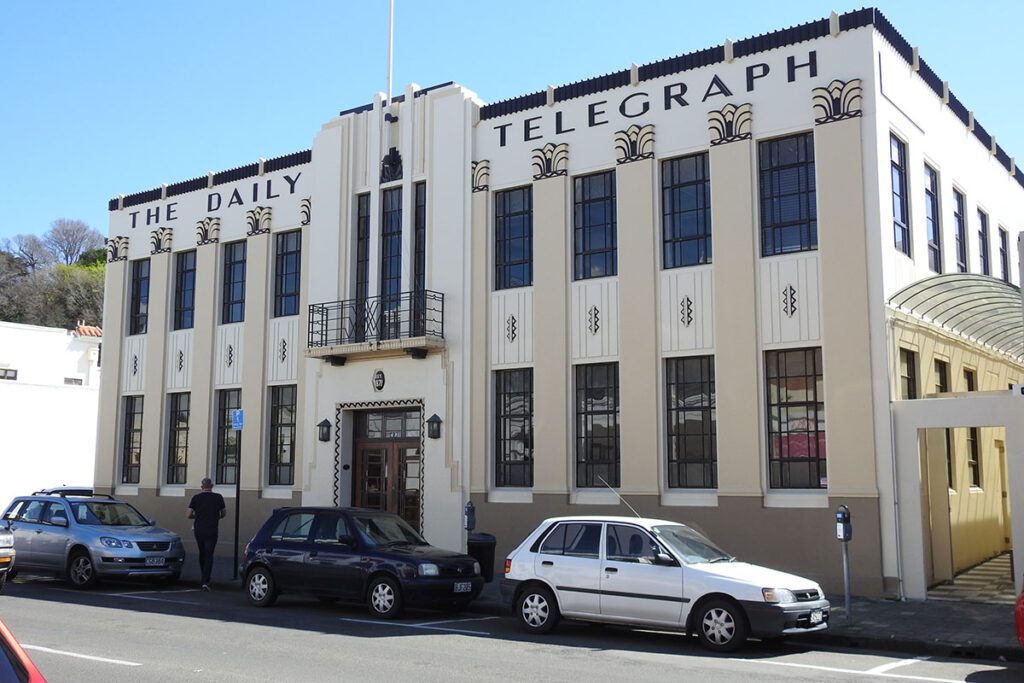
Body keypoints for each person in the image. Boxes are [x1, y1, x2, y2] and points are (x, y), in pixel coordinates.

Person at [187, 477, 225, 591]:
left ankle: (203, 577)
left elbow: (188, 514)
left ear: (202, 487)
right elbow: (223, 513)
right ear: (212, 486)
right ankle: (206, 581)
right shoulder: (218, 497)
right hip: (212, 529)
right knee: (209, 554)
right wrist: (216, 517)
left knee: (202, 552)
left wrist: (197, 516)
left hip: (199, 529)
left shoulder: (196, 498)